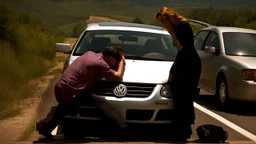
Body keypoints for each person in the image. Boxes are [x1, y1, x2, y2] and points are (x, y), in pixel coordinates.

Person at [36, 45, 126, 139]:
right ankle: (121, 127)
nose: (116, 65)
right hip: (69, 90)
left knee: (64, 108)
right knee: (99, 103)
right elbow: (118, 77)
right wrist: (122, 62)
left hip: (62, 87)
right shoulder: (100, 63)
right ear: (111, 58)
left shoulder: (89, 53)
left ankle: (45, 125)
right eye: (116, 62)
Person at [156, 6, 202, 141]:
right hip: (184, 61)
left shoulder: (183, 25)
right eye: (160, 22)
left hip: (190, 64)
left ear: (169, 17)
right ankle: (182, 129)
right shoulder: (177, 27)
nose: (162, 24)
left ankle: (182, 131)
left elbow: (181, 47)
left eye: (163, 21)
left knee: (184, 96)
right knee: (180, 95)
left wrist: (171, 32)